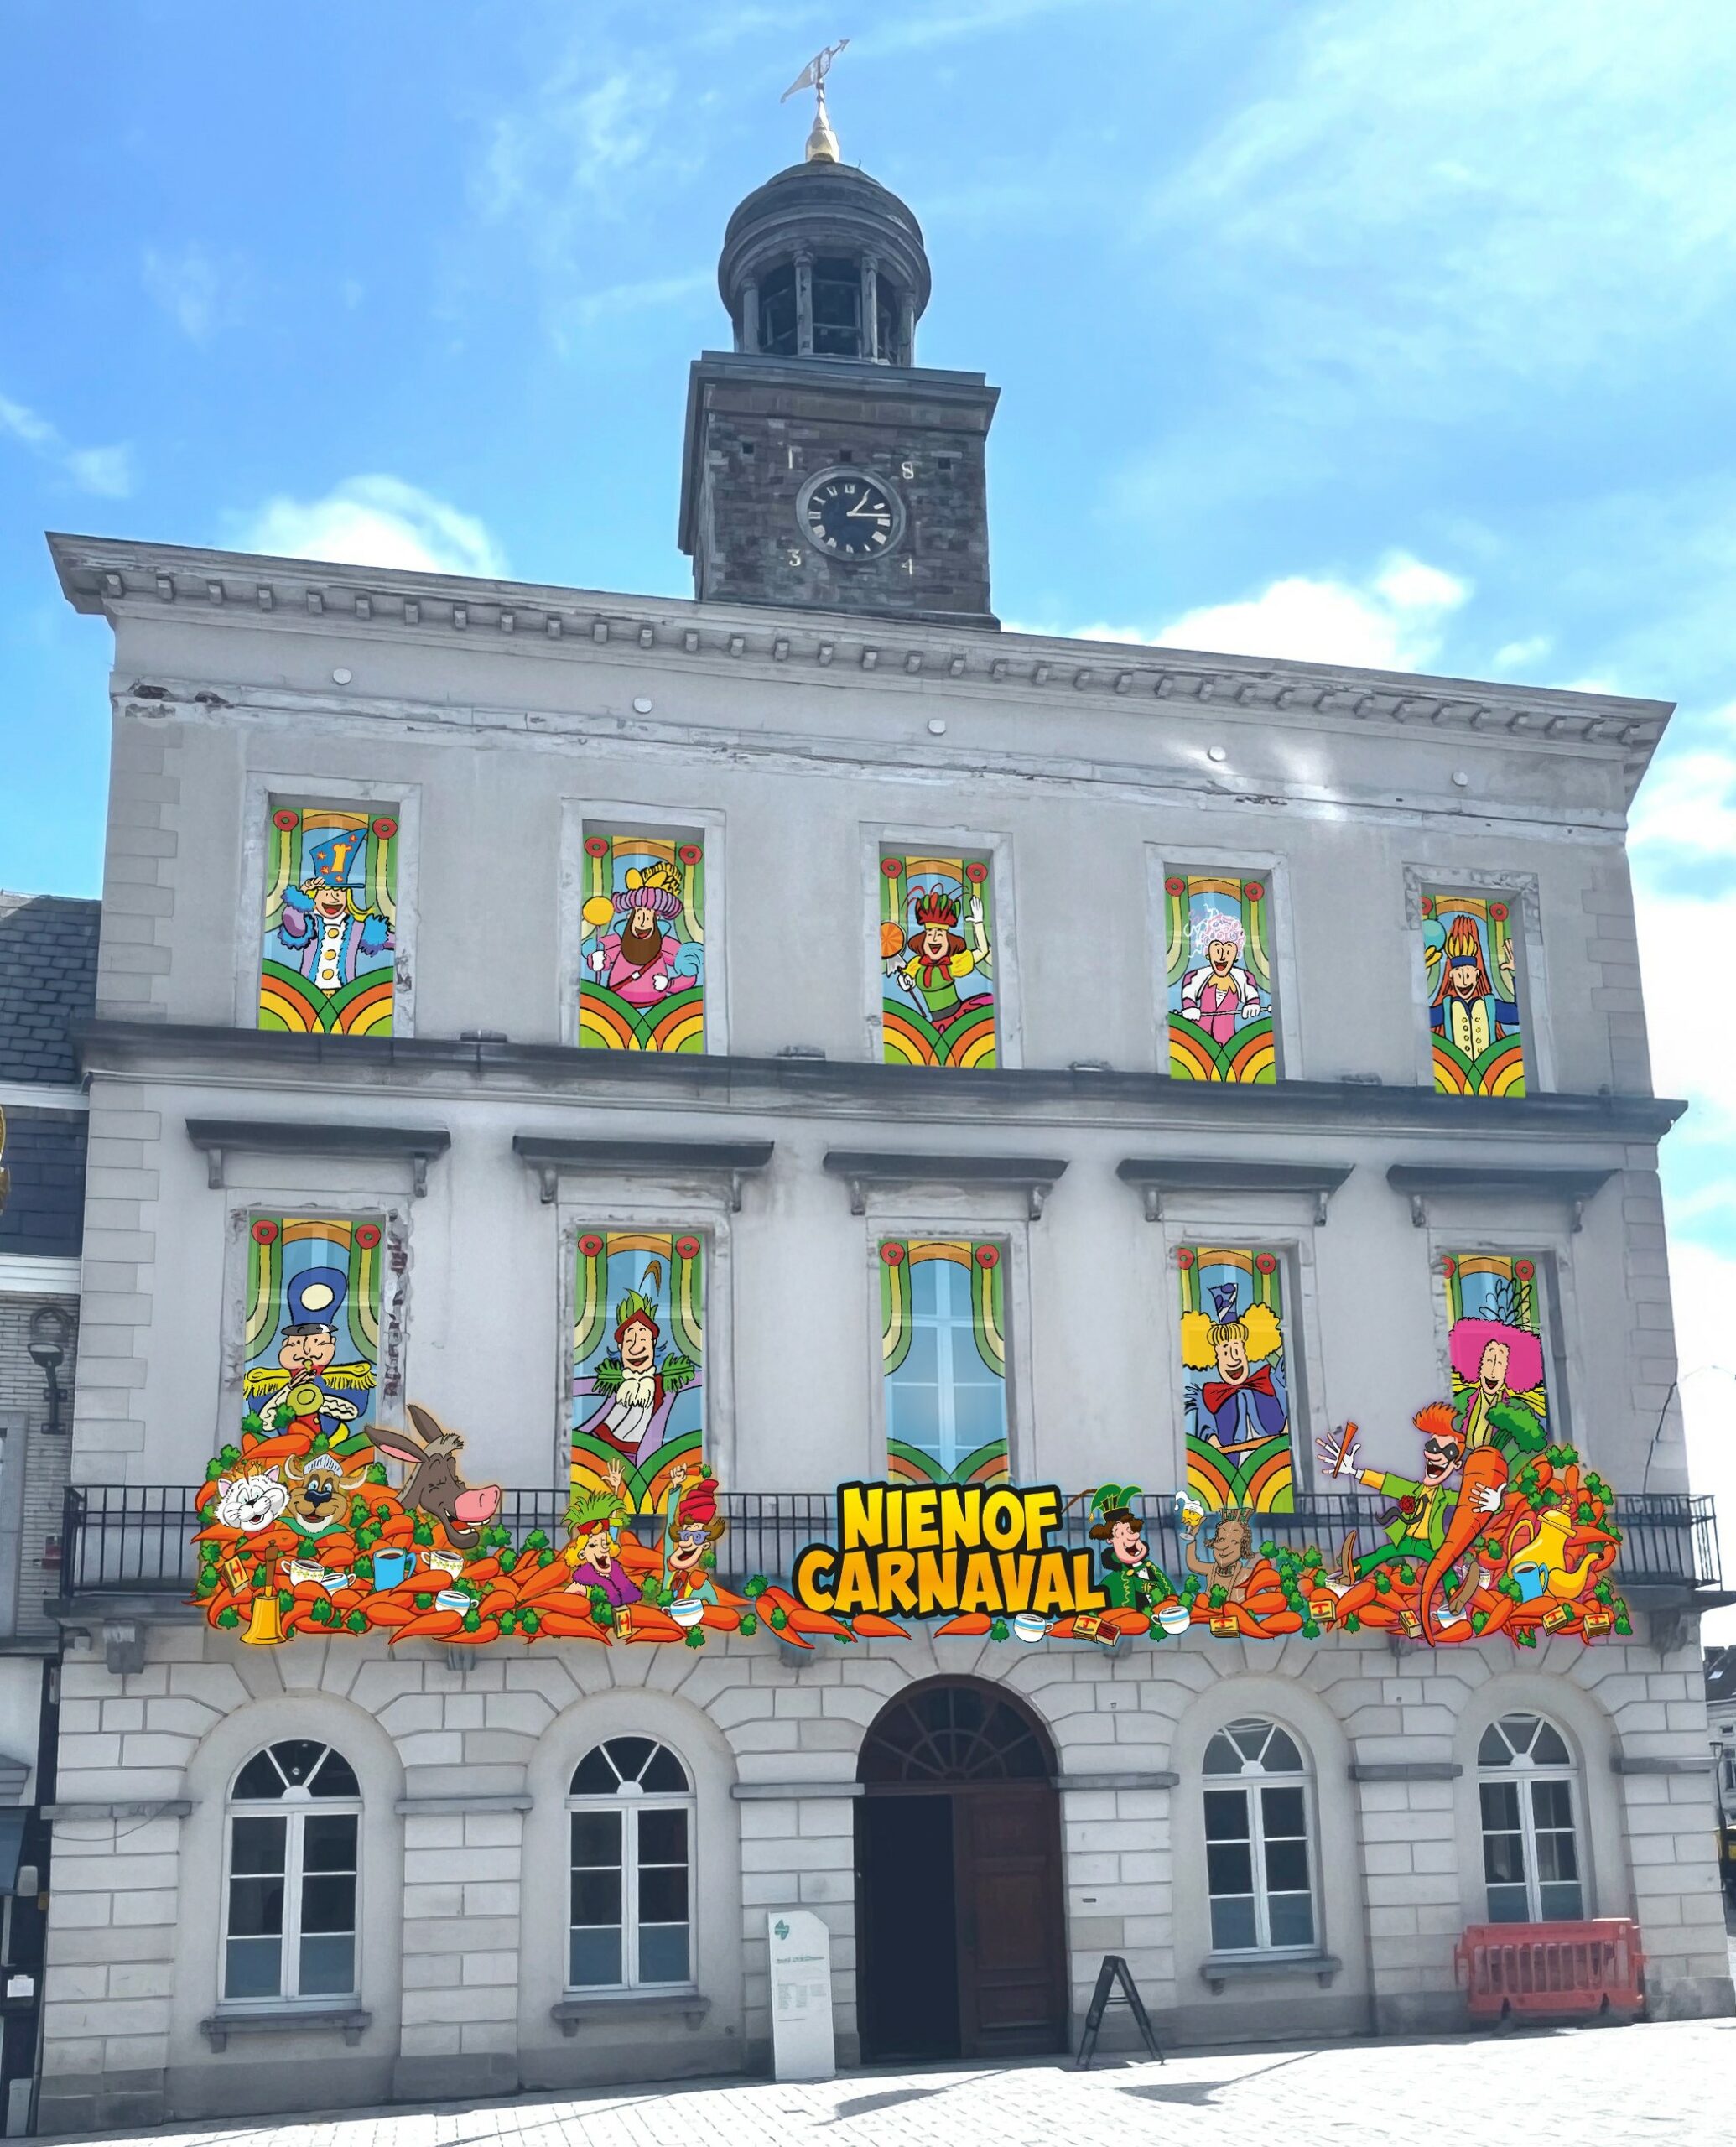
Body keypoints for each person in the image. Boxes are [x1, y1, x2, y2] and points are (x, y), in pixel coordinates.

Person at [1317, 1403, 1500, 1618]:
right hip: (1405, 1540)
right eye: (1433, 1446)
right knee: (1381, 1554)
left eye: (1449, 1452)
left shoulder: (1448, 1496)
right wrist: (1354, 1471)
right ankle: (1353, 1572)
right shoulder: (1412, 1489)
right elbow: (1386, 1482)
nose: (1438, 1455)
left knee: (1443, 1569)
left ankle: (1454, 1597)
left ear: (1456, 1464)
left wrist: (1494, 1505)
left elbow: (1471, 1503)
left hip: (1431, 1545)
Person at [574, 1262, 699, 1464]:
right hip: (596, 1449)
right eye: (629, 1340)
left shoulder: (664, 1384)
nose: (636, 1347)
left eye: (642, 1339)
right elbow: (576, 1386)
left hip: (638, 1460)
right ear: (621, 1347)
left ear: (653, 1343)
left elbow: (700, 1378)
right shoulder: (613, 1381)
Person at [242, 1266, 376, 1436]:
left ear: (332, 1343)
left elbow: (351, 1412)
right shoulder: (264, 1383)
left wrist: (315, 1391)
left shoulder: (347, 1378)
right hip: (284, 1445)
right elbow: (265, 1423)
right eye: (297, 1342)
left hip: (333, 1442)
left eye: (318, 1342)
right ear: (285, 1344)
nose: (307, 1350)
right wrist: (290, 1389)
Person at [275, 830, 394, 998]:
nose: (333, 898)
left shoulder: (357, 927)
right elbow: (292, 924)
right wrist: (301, 894)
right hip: (309, 996)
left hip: (345, 997)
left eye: (339, 893)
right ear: (314, 896)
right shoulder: (310, 923)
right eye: (326, 893)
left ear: (347, 897)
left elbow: (391, 941)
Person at [1185, 1282, 1289, 1453]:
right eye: (1225, 1352)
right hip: (1232, 1464)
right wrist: (1214, 1445)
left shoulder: (1272, 1381)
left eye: (1236, 1350)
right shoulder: (1208, 1398)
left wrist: (1286, 1429)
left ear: (1246, 1352)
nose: (1233, 1359)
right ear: (1216, 1358)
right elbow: (1207, 1433)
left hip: (1275, 1459)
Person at [584, 859, 696, 1008]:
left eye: (648, 914)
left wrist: (669, 984)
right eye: (638, 913)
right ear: (630, 915)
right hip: (617, 1007)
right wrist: (596, 960)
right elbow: (598, 953)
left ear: (656, 917)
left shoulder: (665, 944)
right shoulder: (619, 940)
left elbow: (690, 974)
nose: (643, 920)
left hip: (657, 1008)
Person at [891, 884, 992, 1036]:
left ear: (949, 940)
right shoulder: (916, 964)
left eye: (940, 933)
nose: (934, 938)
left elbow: (983, 950)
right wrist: (905, 982)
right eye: (929, 933)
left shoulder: (954, 963)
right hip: (937, 1022)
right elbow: (906, 979)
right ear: (923, 939)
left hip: (960, 1016)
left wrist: (978, 922)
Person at [1448, 1318, 1548, 1456]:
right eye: (1489, 1361)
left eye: (1500, 1363)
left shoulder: (1518, 1408)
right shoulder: (1461, 1399)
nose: (1493, 1372)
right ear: (1477, 1364)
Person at [1430, 911, 1518, 1063]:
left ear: (1477, 974)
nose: (1464, 982)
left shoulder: (1490, 1006)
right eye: (1459, 975)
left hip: (1489, 1071)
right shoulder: (1446, 1008)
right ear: (1451, 976)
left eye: (1468, 974)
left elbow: (1517, 1015)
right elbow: (1423, 1019)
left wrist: (1516, 974)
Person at [1177, 908, 1263, 1045]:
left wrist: (1253, 1005)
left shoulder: (1243, 978)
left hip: (1227, 1042)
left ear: (1236, 955)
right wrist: (1190, 1007)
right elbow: (1189, 989)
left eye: (1228, 950)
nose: (1222, 956)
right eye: (1217, 949)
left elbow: (1251, 994)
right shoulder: (1198, 976)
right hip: (1199, 1040)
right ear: (1208, 952)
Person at [563, 1462, 641, 1608]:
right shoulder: (581, 1586)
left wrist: (616, 1488)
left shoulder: (616, 1574)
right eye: (594, 1545)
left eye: (604, 1543)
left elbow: (613, 1526)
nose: (603, 1548)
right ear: (582, 1554)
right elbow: (566, 1606)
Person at [1089, 1489, 1174, 1612]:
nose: (1133, 1537)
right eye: (1122, 1533)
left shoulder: (1151, 1567)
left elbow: (1169, 1591)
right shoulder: (1114, 1581)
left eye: (1133, 1531)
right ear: (1110, 1539)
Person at [663, 1461, 725, 1604]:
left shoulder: (701, 1584)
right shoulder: (670, 1569)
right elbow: (669, 1523)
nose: (689, 1542)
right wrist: (675, 1485)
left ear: (705, 1545)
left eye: (697, 1537)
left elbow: (715, 1608)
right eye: (685, 1535)